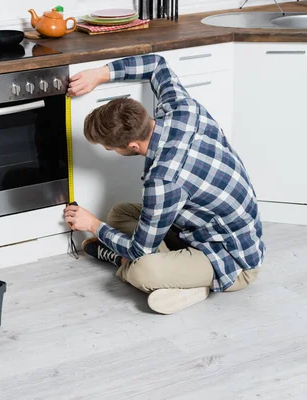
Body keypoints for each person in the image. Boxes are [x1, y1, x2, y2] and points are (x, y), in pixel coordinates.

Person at [63, 54, 265, 314]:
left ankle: (185, 280)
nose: (109, 150)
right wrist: (99, 73)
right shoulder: (181, 109)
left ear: (132, 146)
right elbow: (157, 64)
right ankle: (179, 272)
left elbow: (138, 250)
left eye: (109, 147)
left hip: (234, 262)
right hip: (197, 230)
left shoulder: (163, 179)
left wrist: (92, 225)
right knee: (119, 213)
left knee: (141, 269)